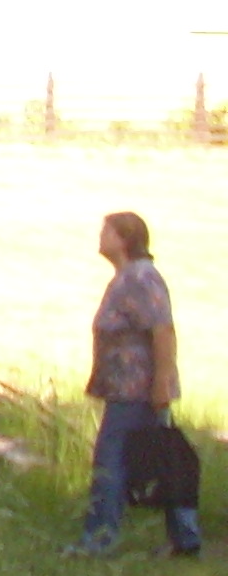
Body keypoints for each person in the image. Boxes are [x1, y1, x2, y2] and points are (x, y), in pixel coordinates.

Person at [69, 210, 201, 557]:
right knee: (162, 460)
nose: (100, 236)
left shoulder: (140, 278)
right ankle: (185, 539)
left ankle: (98, 540)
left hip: (137, 391)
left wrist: (162, 382)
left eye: (107, 231)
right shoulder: (126, 277)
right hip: (129, 390)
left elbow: (162, 331)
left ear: (125, 239)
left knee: (111, 464)